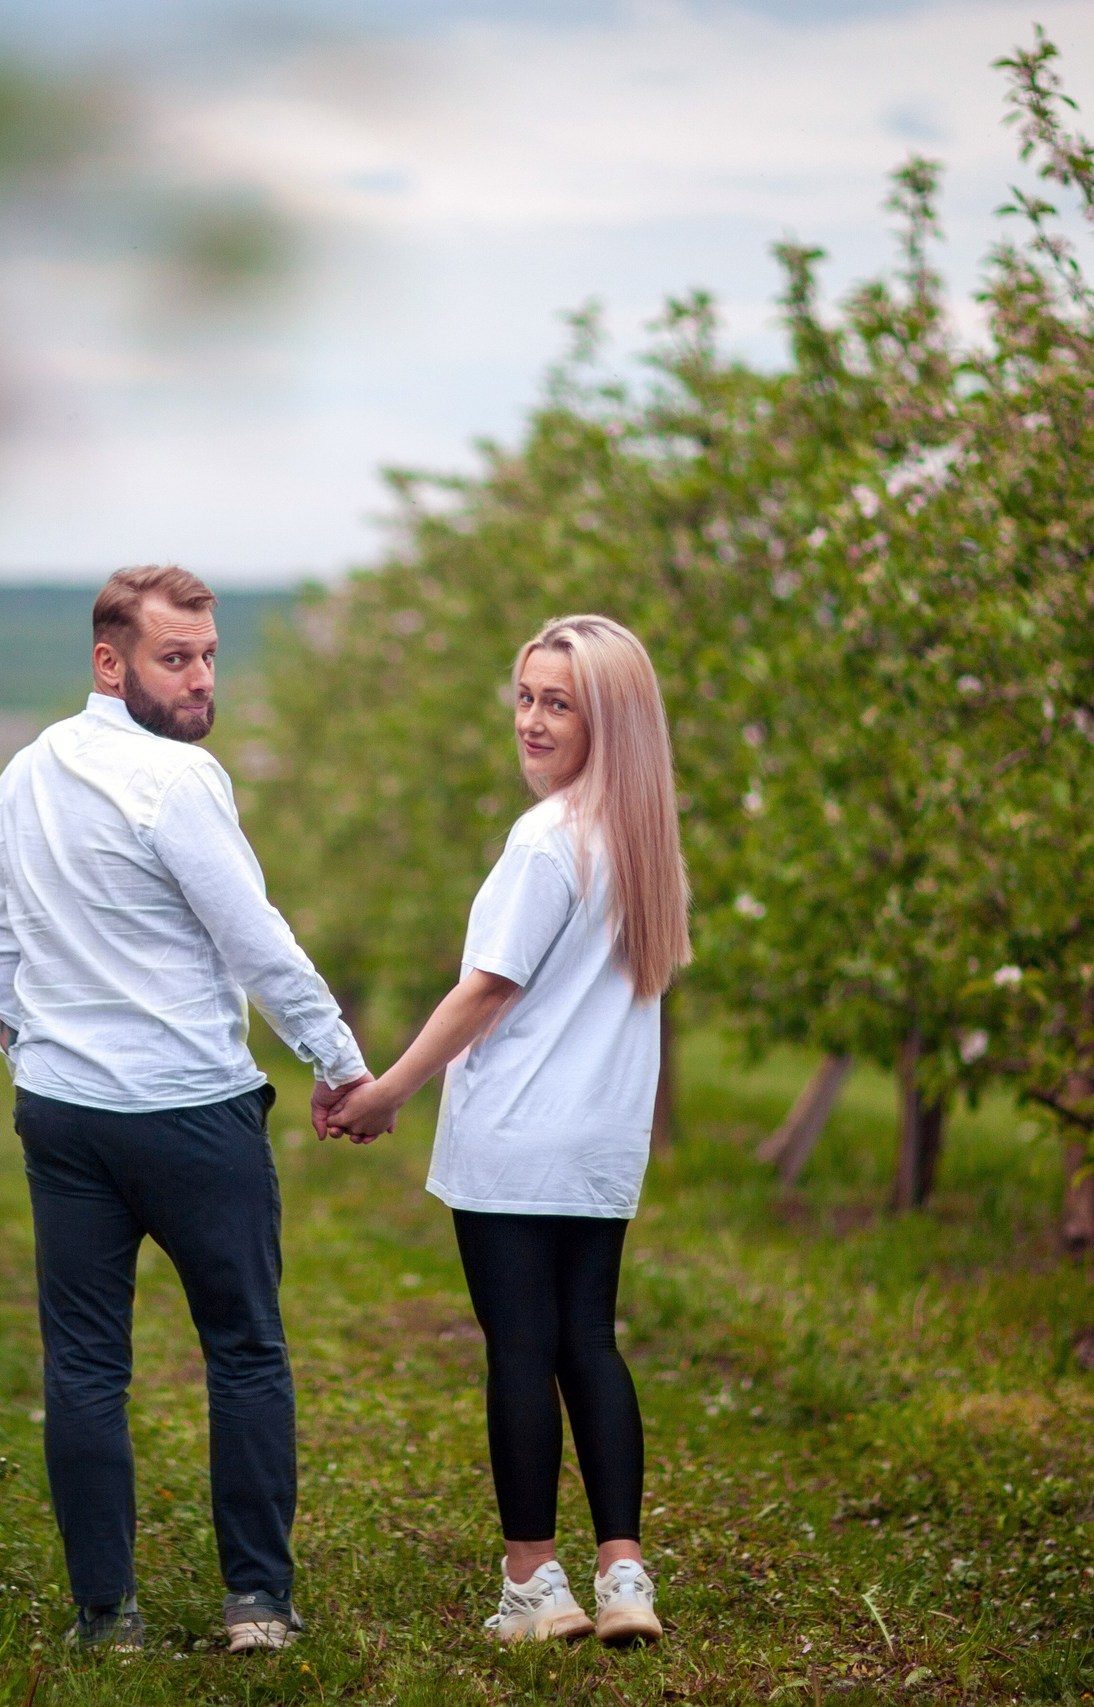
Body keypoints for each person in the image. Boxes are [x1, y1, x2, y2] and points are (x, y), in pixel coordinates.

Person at [0, 565, 370, 1654]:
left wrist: (27, 1050)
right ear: (110, 663)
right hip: (190, 1110)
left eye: (206, 658)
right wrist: (341, 1067)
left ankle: (108, 1619)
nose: (199, 682)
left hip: (62, 1114)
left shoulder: (23, 774)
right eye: (173, 659)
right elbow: (258, 945)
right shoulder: (177, 785)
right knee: (243, 1350)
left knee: (84, 1366)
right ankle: (255, 1602)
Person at [323, 613, 689, 1648]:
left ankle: (534, 1583)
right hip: (600, 1140)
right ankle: (624, 1575)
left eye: (557, 704)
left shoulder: (546, 842)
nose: (530, 721)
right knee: (589, 1344)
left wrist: (389, 1087)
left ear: (606, 721)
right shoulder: (640, 840)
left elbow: (487, 989)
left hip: (519, 1138)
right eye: (524, 697)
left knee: (520, 1352)